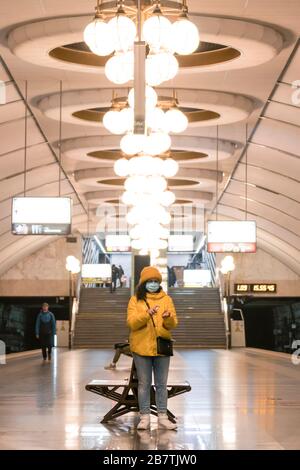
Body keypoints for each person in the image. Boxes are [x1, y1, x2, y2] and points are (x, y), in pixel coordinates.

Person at [127, 266, 178, 430]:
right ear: (143, 282)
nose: (154, 284)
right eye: (150, 281)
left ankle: (162, 416)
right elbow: (131, 323)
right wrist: (146, 314)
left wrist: (168, 318)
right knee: (144, 383)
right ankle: (144, 417)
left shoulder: (166, 299)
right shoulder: (135, 300)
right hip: (141, 347)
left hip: (161, 347)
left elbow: (173, 323)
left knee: (162, 384)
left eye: (156, 281)